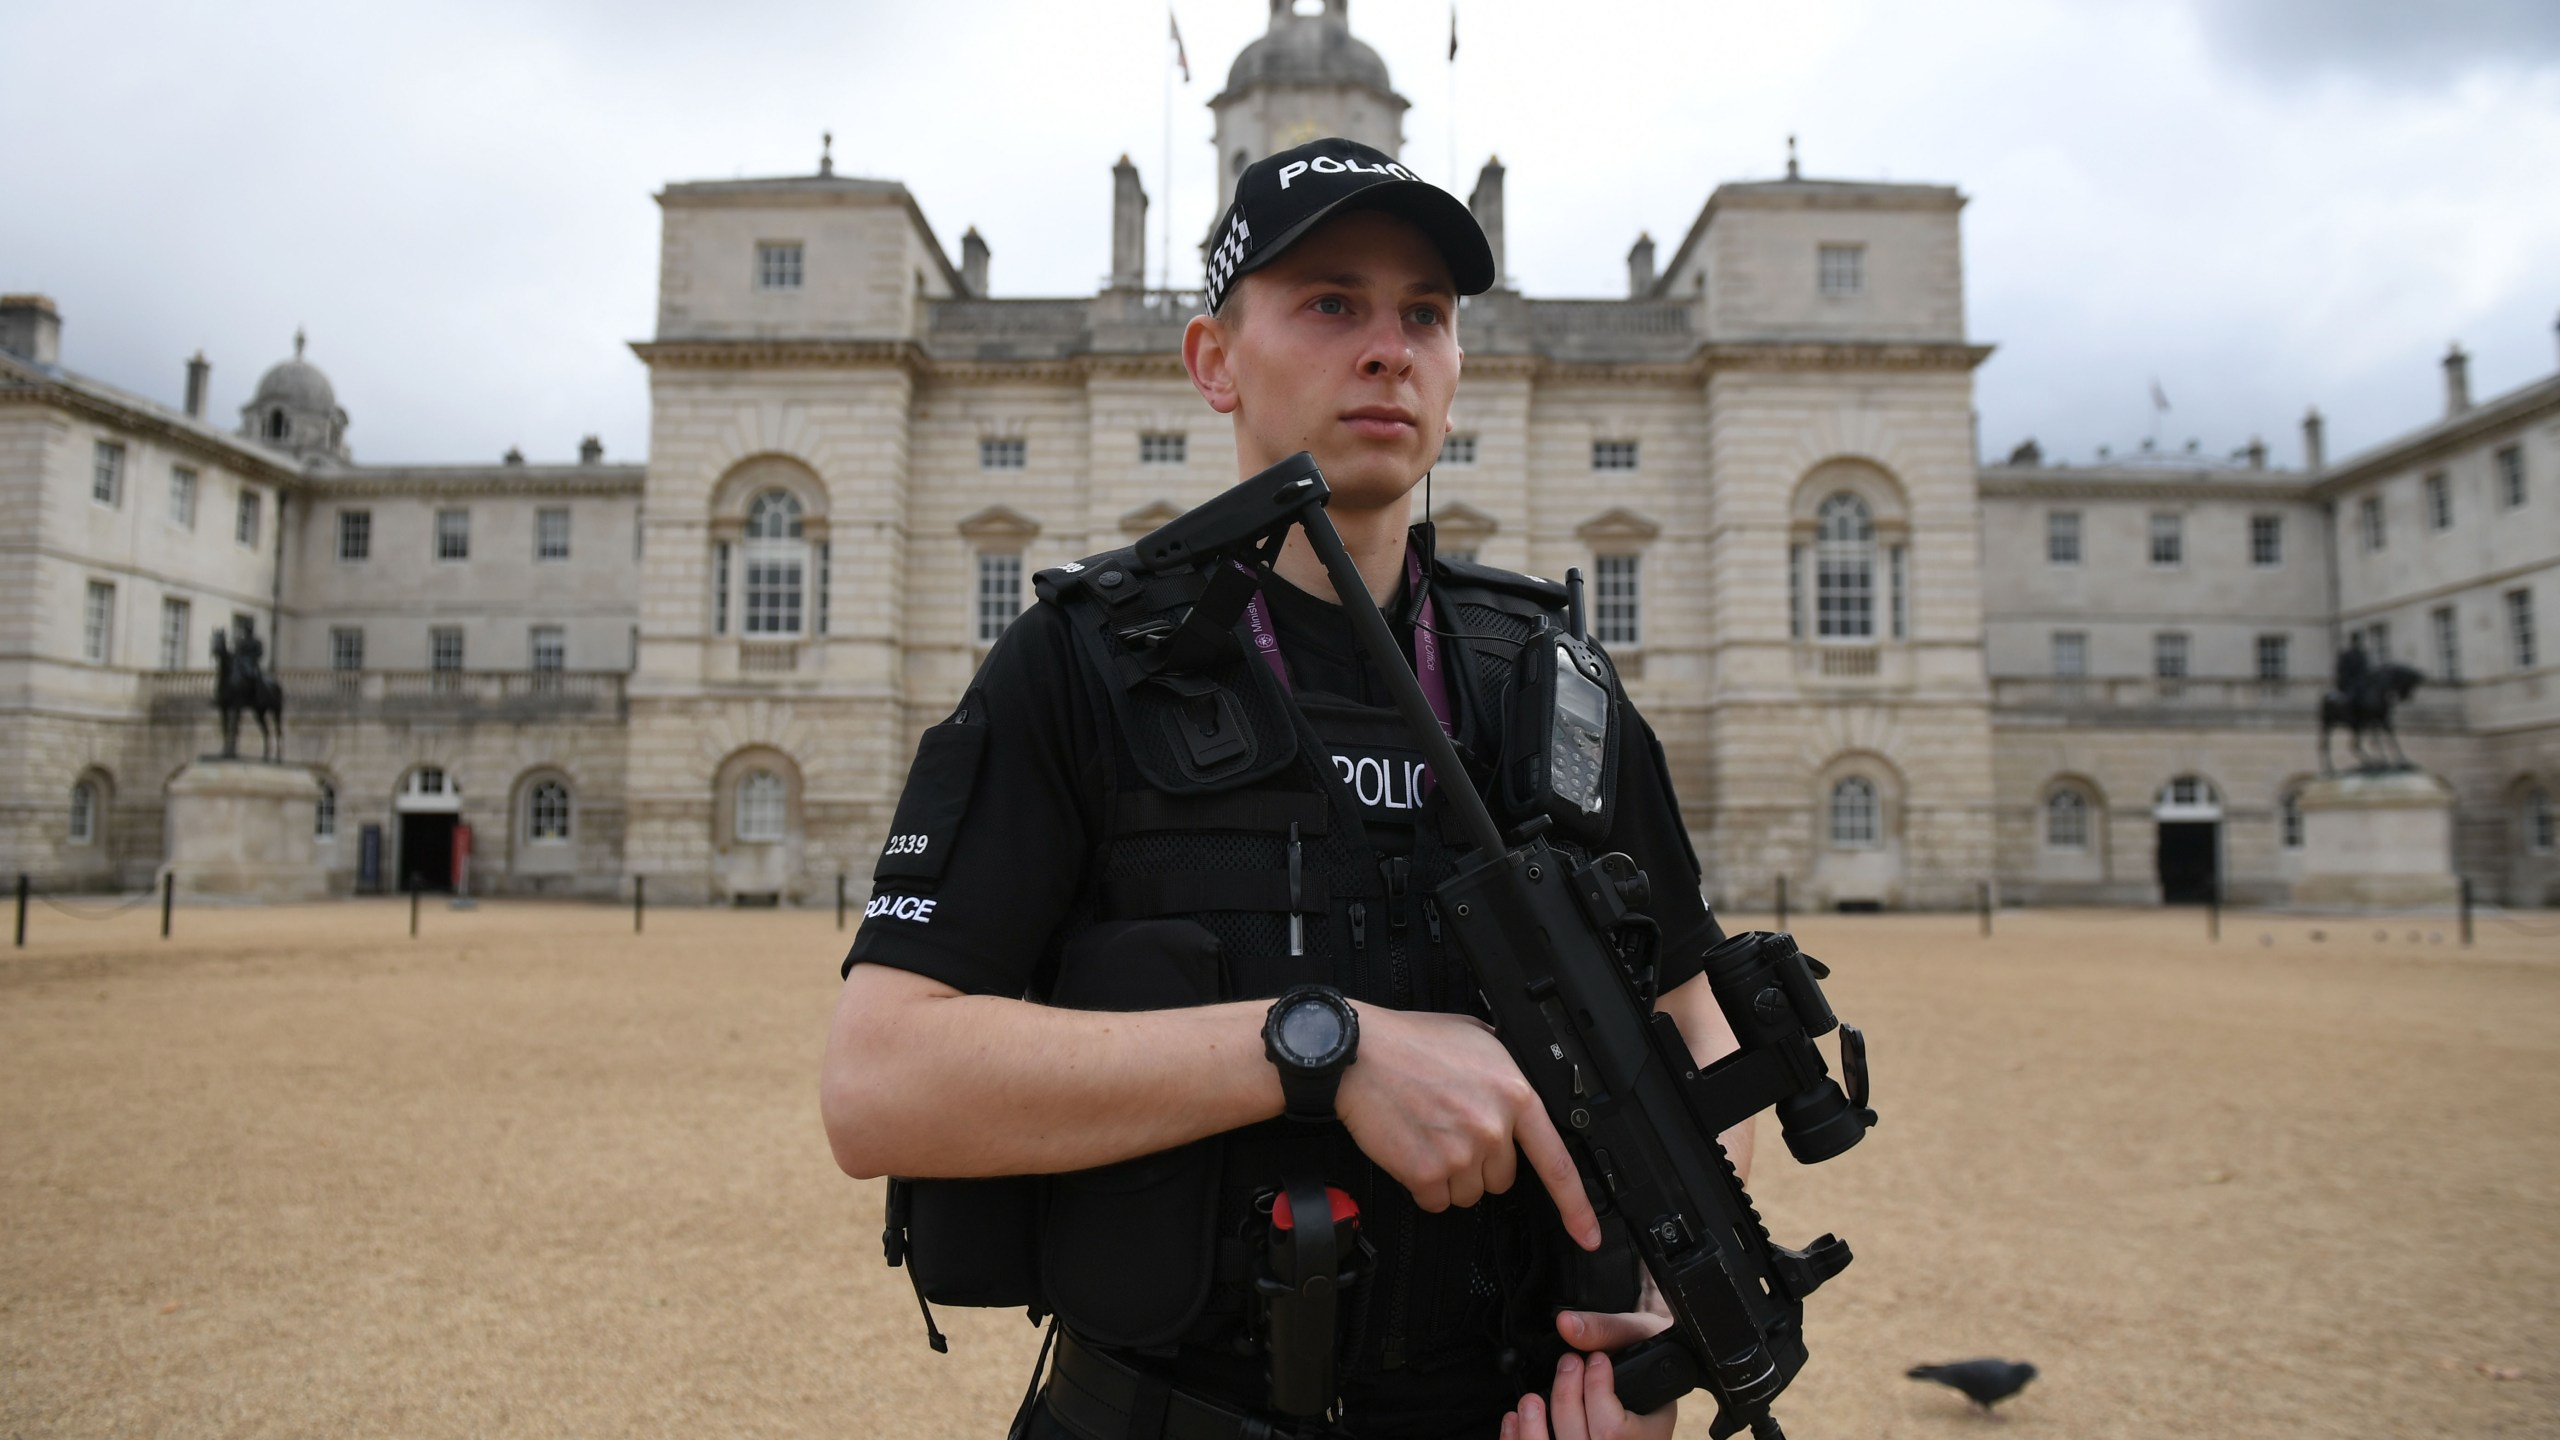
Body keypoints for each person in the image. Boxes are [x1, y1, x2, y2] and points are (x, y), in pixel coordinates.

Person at [822, 138, 1752, 1440]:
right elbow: (879, 1086)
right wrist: (1321, 1049)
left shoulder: (1556, 682)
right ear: (1214, 359)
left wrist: (1647, 1338)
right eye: (1330, 302)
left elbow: (1690, 1025)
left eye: (1424, 313)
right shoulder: (1085, 665)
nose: (1389, 348)